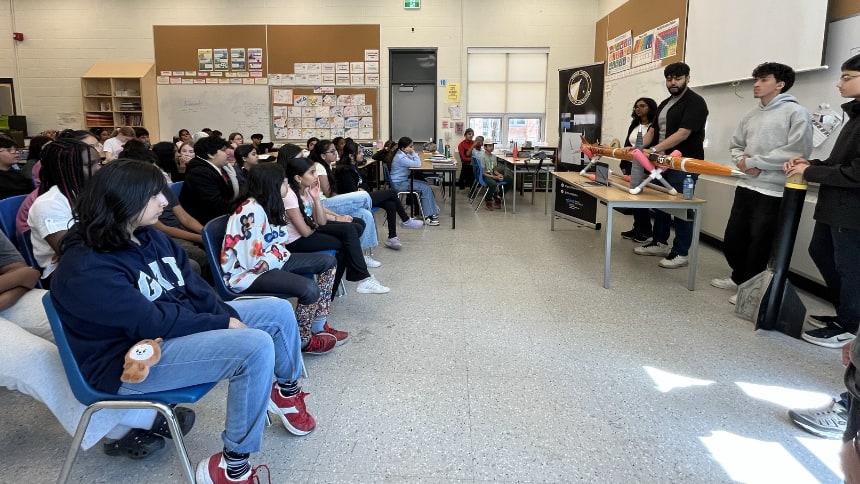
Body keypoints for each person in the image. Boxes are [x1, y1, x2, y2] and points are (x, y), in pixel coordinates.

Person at [49, 160, 315, 483]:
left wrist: (225, 317)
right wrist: (222, 325)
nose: (165, 201)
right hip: (129, 361)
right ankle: (232, 467)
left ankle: (285, 393)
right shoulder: (85, 267)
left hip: (175, 329)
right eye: (154, 195)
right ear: (123, 201)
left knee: (276, 311)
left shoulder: (148, 236)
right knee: (255, 346)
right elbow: (150, 322)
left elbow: (195, 288)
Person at [710, 62, 813, 304]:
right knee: (734, 239)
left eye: (763, 79)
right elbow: (735, 145)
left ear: (780, 84)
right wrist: (743, 162)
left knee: (761, 243)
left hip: (773, 190)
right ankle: (739, 277)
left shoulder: (796, 113)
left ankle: (751, 287)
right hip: (746, 185)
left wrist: (757, 162)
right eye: (755, 79)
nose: (756, 84)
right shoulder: (751, 115)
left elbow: (797, 151)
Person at [223, 162, 346, 355]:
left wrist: (275, 255)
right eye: (283, 181)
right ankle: (303, 340)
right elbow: (253, 263)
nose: (287, 185)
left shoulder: (271, 204)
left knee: (328, 262)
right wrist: (276, 254)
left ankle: (318, 326)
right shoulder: (249, 211)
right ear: (271, 184)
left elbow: (281, 241)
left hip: (273, 261)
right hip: (247, 274)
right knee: (308, 288)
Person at [784, 54, 860, 349]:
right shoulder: (854, 117)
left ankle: (848, 326)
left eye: (847, 77)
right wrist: (809, 162)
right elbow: (837, 162)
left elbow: (856, 173)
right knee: (821, 252)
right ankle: (847, 313)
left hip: (851, 211)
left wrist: (810, 171)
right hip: (835, 205)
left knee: (850, 267)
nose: (839, 83)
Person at [633, 62, 709, 269]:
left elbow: (683, 133)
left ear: (687, 78)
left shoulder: (696, 102)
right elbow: (653, 130)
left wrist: (655, 149)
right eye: (669, 79)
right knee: (662, 205)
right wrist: (637, 147)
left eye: (677, 78)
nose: (673, 83)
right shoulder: (666, 103)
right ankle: (659, 242)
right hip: (664, 163)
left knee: (682, 208)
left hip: (685, 165)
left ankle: (680, 252)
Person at [282, 156, 390, 296]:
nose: (316, 176)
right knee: (348, 236)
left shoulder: (307, 189)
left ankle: (332, 292)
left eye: (315, 172)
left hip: (310, 228)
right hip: (297, 241)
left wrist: (316, 198)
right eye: (312, 173)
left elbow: (320, 221)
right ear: (298, 178)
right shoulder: (290, 195)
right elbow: (306, 231)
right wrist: (321, 222)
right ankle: (359, 280)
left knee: (355, 227)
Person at [27, 137, 101, 282]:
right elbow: (73, 254)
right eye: (90, 165)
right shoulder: (49, 204)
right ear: (67, 169)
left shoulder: (90, 194)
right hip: (66, 274)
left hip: (97, 262)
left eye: (99, 162)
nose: (99, 169)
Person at [335, 140, 423, 249]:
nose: (362, 154)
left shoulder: (354, 167)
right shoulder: (345, 171)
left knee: (391, 204)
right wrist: (361, 189)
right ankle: (405, 220)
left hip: (363, 196)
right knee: (391, 193)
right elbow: (352, 193)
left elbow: (365, 185)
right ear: (351, 156)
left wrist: (362, 188)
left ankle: (392, 238)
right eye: (359, 152)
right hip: (355, 202)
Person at [309, 140, 381, 266]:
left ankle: (364, 256)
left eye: (335, 150)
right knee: (363, 196)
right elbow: (328, 193)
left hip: (329, 202)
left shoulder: (328, 165)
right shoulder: (319, 167)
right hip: (323, 204)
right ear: (322, 155)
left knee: (365, 214)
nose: (335, 153)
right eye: (331, 151)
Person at [620, 97, 658, 243]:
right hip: (631, 163)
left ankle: (646, 231)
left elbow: (652, 147)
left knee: (641, 198)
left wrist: (648, 170)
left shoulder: (654, 127)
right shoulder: (634, 124)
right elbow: (626, 144)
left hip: (645, 165)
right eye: (636, 106)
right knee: (633, 198)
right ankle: (637, 228)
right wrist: (623, 164)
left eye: (642, 106)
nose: (638, 108)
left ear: (650, 108)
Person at [179, 136, 234, 226]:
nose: (228, 153)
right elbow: (215, 205)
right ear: (211, 154)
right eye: (223, 150)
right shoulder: (200, 173)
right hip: (204, 222)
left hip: (215, 216)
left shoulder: (216, 168)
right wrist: (240, 205)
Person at [389, 136, 441, 226]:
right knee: (425, 188)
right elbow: (417, 164)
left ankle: (433, 211)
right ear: (403, 148)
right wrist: (414, 153)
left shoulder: (402, 153)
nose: (413, 148)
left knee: (425, 184)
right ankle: (427, 216)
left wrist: (412, 153)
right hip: (399, 184)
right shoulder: (401, 157)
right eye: (411, 146)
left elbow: (414, 160)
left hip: (402, 181)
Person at [477, 141, 513, 211]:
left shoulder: (493, 157)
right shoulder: (482, 157)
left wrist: (498, 174)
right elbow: (483, 173)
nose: (492, 147)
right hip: (486, 176)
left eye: (492, 146)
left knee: (509, 180)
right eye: (490, 146)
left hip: (493, 174)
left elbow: (494, 170)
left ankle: (498, 196)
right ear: (485, 147)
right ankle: (488, 199)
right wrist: (494, 177)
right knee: (493, 184)